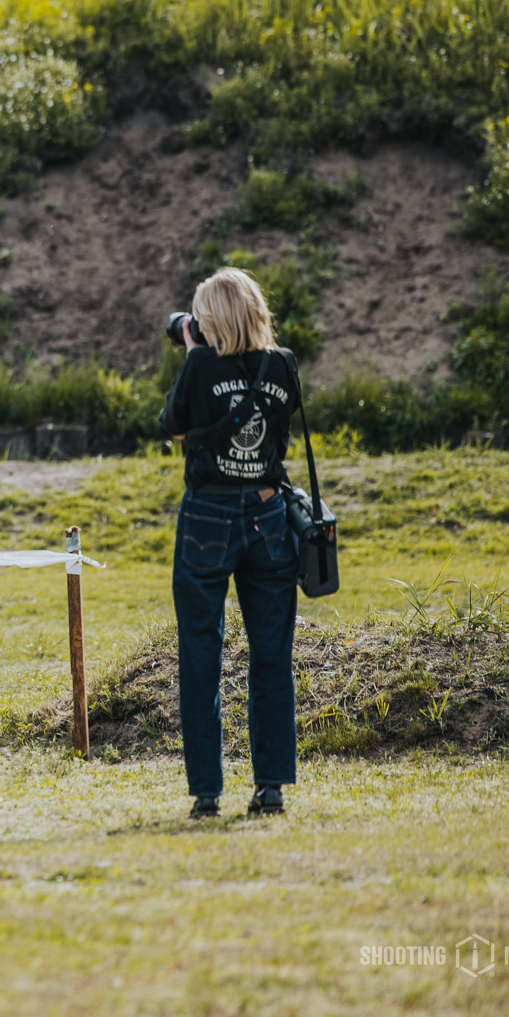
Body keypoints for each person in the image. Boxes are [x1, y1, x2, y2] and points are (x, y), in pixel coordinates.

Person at [159, 266, 303, 819]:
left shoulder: (200, 364)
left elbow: (174, 426)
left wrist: (195, 353)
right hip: (268, 512)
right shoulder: (282, 363)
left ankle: (207, 793)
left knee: (201, 652)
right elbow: (279, 432)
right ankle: (270, 787)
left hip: (209, 515)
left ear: (210, 318)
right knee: (272, 655)